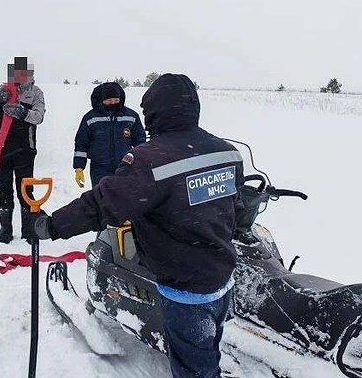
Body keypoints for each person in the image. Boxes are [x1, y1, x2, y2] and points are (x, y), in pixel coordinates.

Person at [26, 74, 243, 378]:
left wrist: (49, 226)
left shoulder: (151, 160)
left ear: (153, 111)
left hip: (185, 289)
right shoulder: (226, 151)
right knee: (205, 356)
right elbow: (236, 209)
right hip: (221, 280)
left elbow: (101, 205)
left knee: (195, 370)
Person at [0, 57, 46, 243]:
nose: (20, 76)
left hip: (25, 149)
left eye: (24, 72)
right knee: (2, 188)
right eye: (16, 72)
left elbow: (39, 117)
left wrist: (22, 112)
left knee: (25, 188)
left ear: (30, 74)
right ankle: (5, 228)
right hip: (1, 149)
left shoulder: (36, 93)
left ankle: (28, 229)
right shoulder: (3, 90)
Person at [72, 82, 146, 188]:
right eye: (109, 100)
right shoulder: (90, 118)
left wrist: (142, 163)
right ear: (102, 100)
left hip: (125, 167)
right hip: (99, 169)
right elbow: (81, 143)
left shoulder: (131, 116)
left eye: (116, 100)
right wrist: (79, 167)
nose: (113, 103)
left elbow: (140, 142)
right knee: (102, 200)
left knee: (125, 199)